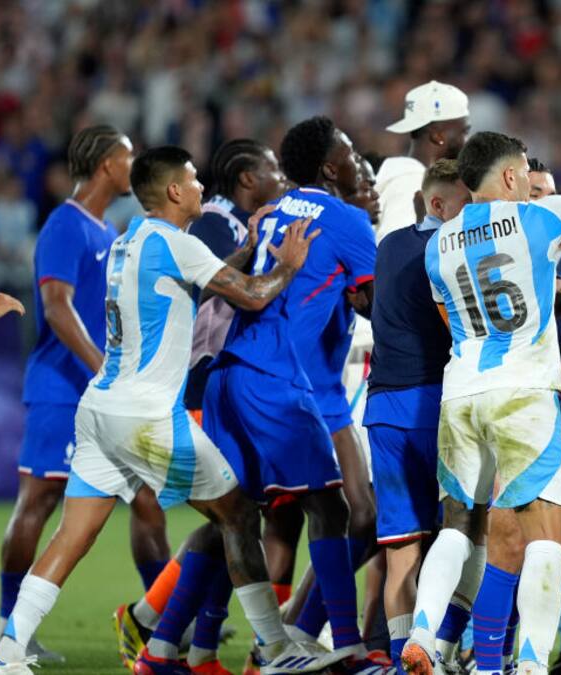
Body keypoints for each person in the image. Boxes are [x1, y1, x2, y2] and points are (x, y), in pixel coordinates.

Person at [0, 145, 328, 675]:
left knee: (72, 536)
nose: (200, 188)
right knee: (238, 514)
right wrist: (285, 265)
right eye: (193, 180)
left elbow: (202, 277)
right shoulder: (176, 242)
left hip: (100, 408)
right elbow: (255, 295)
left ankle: (7, 651)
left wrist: (246, 249)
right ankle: (277, 649)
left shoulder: (131, 241)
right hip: (146, 416)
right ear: (174, 190)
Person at [399, 131, 561, 675]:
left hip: (461, 389)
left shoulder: (439, 242)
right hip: (525, 395)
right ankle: (531, 659)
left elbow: (449, 319)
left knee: (458, 526)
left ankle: (421, 633)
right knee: (548, 534)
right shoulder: (538, 217)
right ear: (512, 177)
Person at [202, 117, 382, 674]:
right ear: (331, 167)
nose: (356, 158)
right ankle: (337, 642)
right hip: (280, 381)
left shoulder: (272, 210)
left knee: (235, 518)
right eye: (349, 151)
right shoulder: (348, 219)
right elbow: (376, 303)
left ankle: (172, 643)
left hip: (233, 374)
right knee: (331, 506)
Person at [0, 125, 169, 664]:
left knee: (146, 500)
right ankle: (10, 628)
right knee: (39, 501)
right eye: (127, 157)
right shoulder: (65, 226)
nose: (134, 165)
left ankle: (162, 616)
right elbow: (55, 305)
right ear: (105, 167)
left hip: (99, 391)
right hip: (62, 390)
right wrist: (102, 369)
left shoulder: (104, 229)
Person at [363, 158, 473, 668]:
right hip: (434, 406)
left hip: (383, 409)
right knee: (464, 534)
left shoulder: (389, 246)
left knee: (400, 548)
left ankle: (399, 655)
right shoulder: (447, 251)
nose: (473, 214)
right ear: (437, 203)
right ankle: (448, 646)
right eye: (465, 204)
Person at [183, 139, 287, 422]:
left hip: (235, 373)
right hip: (204, 375)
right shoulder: (214, 219)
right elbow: (220, 285)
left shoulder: (253, 222)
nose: (283, 179)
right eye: (275, 170)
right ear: (248, 178)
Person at [375, 80, 471, 236]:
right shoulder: (411, 182)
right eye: (464, 132)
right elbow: (395, 252)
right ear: (437, 135)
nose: (468, 140)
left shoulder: (409, 176)